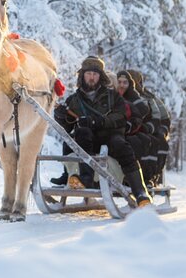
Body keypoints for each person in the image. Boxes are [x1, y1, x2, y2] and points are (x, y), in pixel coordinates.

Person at [53, 56, 152, 206]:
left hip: (110, 137)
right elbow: (67, 128)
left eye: (95, 74)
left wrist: (98, 121)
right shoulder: (73, 100)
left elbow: (120, 118)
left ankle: (140, 192)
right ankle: (85, 179)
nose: (92, 77)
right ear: (82, 75)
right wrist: (60, 117)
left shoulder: (114, 97)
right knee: (81, 133)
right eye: (88, 74)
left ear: (101, 76)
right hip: (86, 140)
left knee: (122, 146)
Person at [127, 69, 171, 186]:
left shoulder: (150, 98)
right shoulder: (121, 95)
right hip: (133, 131)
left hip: (150, 130)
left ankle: (153, 174)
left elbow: (163, 118)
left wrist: (160, 131)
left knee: (159, 143)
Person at [116, 70, 159, 187]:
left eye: (125, 83)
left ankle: (146, 177)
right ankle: (130, 177)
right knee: (134, 142)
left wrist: (147, 127)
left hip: (134, 129)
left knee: (149, 141)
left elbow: (147, 112)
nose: (121, 85)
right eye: (119, 82)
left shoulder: (137, 96)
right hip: (119, 131)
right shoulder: (112, 95)